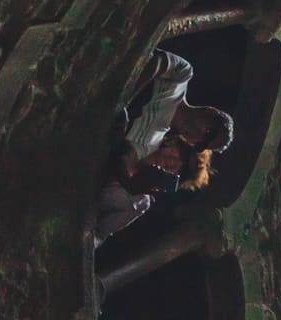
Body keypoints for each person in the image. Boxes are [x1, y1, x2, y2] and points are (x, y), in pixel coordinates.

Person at [95, 49, 234, 246]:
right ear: (211, 111)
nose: (198, 137)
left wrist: (134, 184)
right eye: (209, 132)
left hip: (96, 131)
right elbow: (155, 60)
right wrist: (123, 101)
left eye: (202, 144)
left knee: (140, 201)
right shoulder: (183, 77)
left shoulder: (151, 141)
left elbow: (124, 157)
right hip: (105, 82)